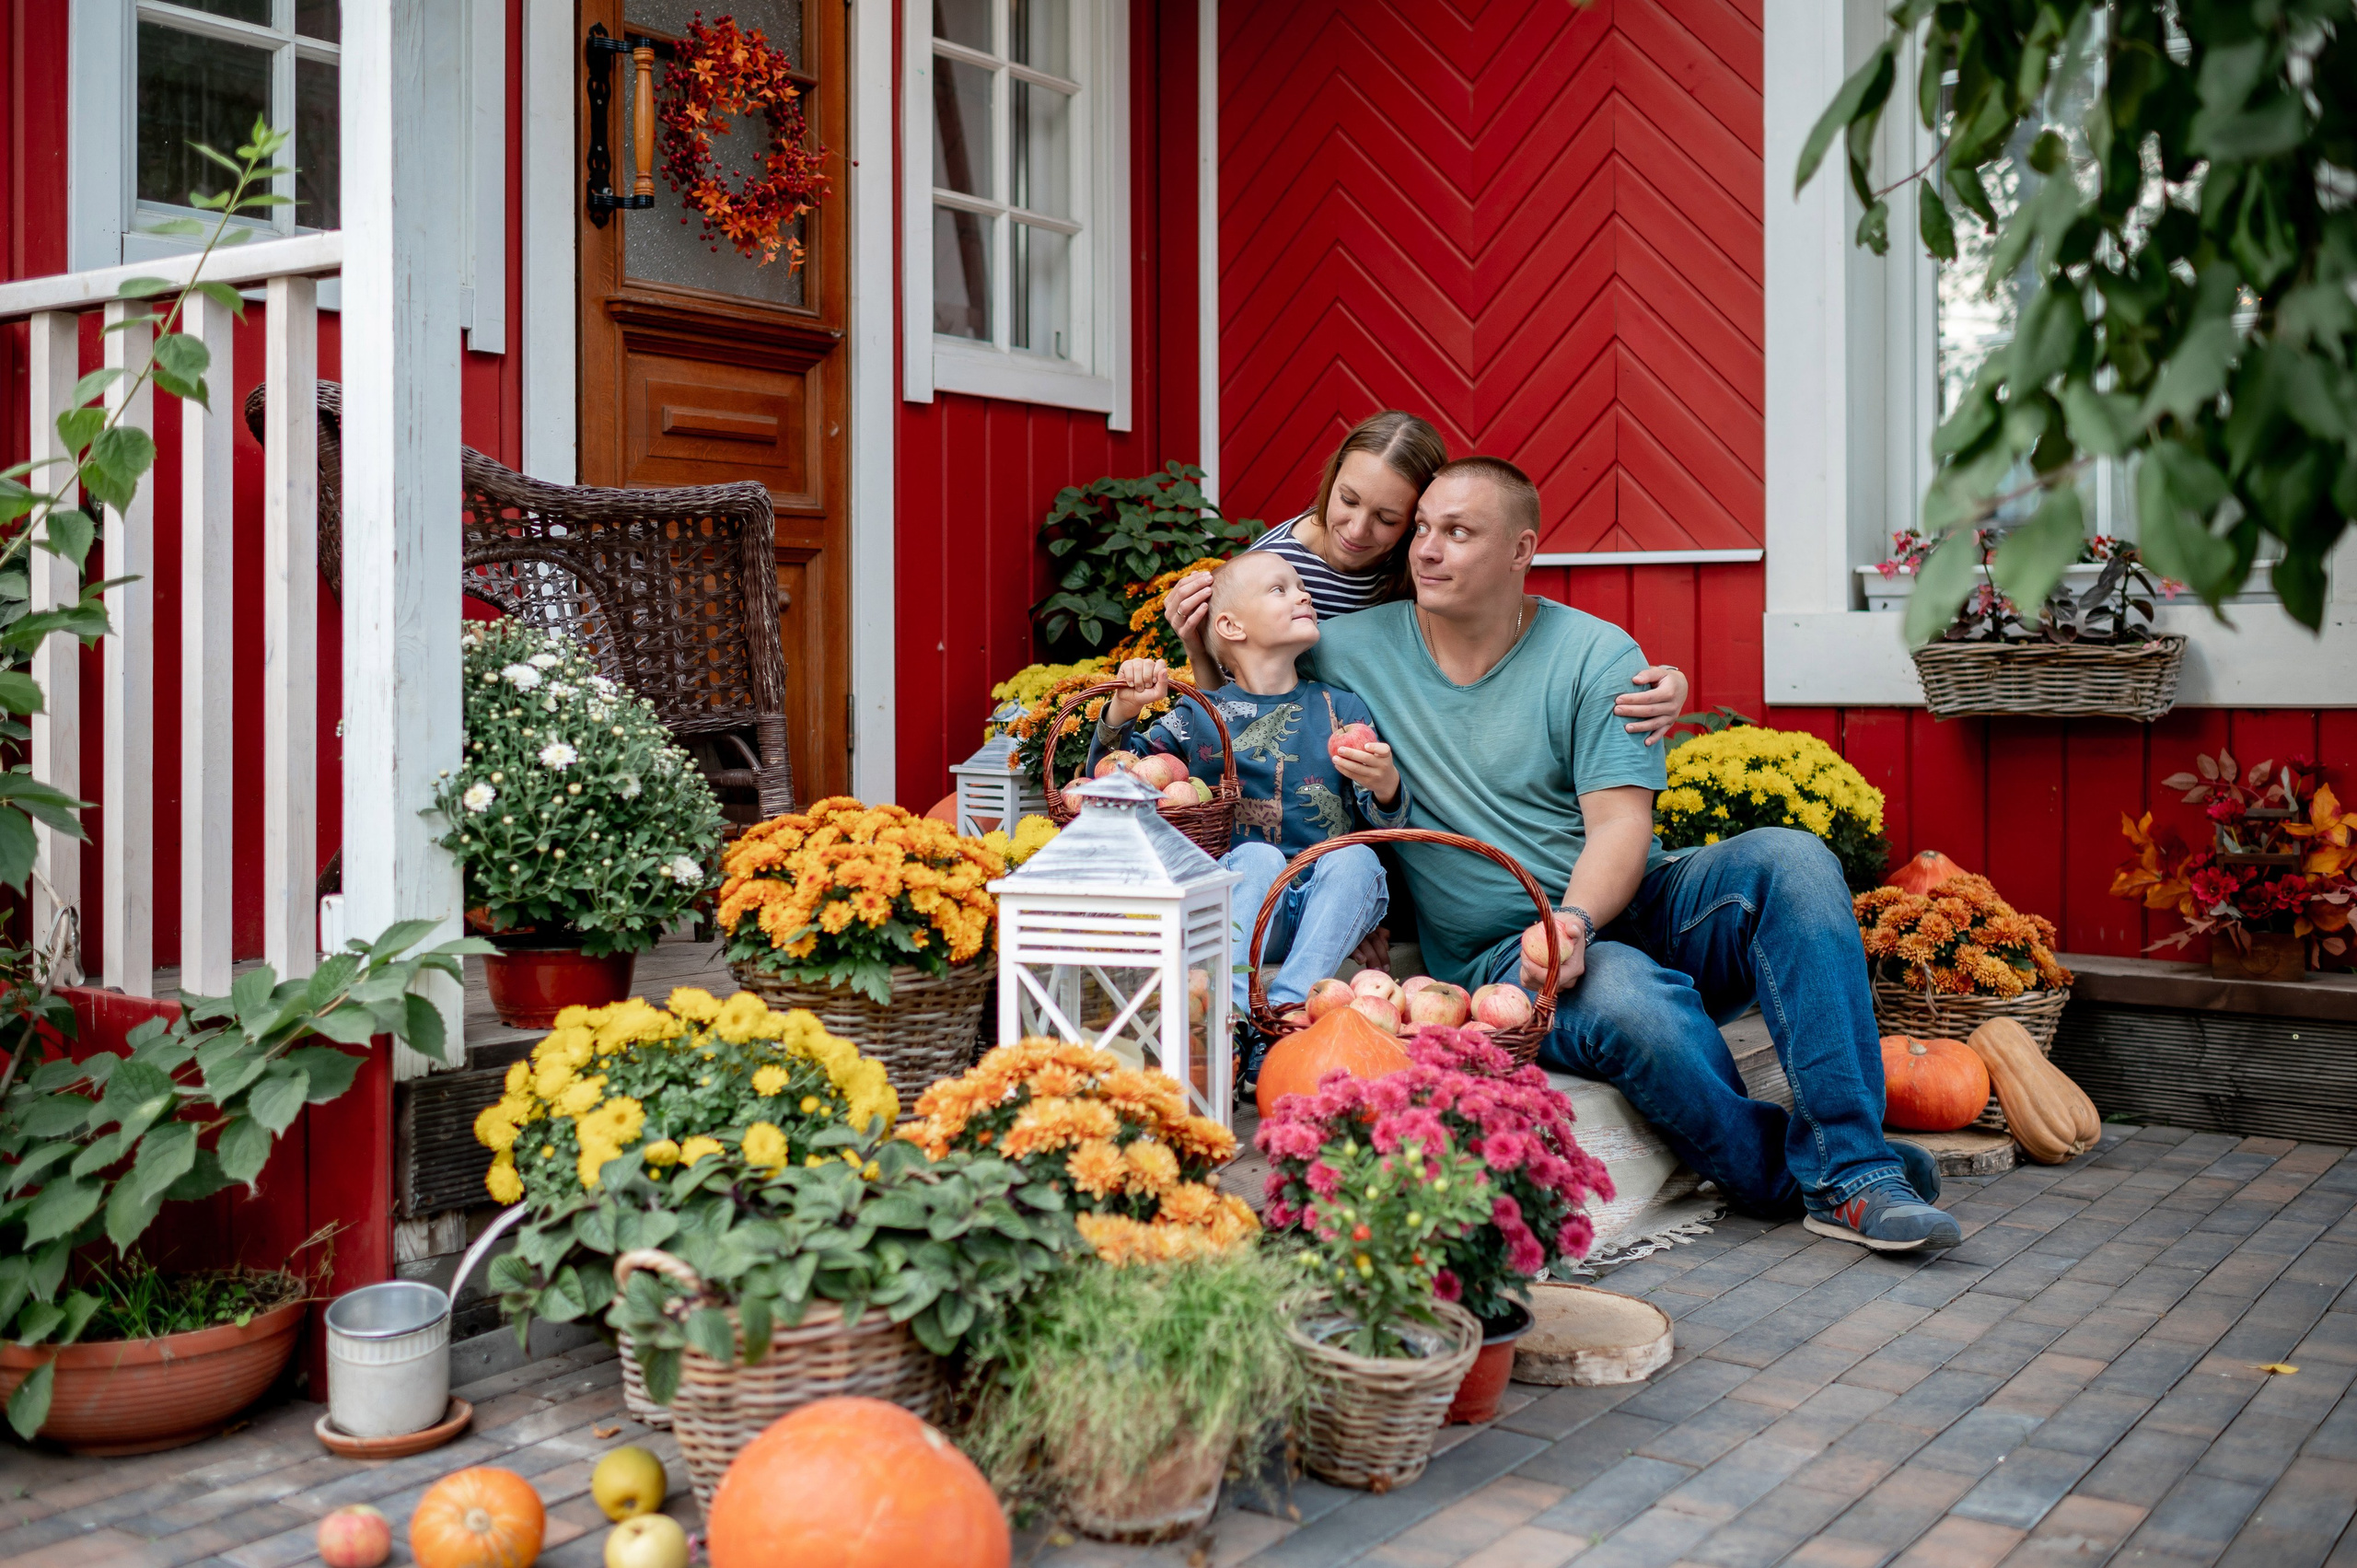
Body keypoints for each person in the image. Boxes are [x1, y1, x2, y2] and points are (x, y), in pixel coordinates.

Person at [1306, 456, 1961, 1253]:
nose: (1426, 551)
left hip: (1628, 903)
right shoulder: (1349, 651)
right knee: (1626, 998)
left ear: (1521, 550)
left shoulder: (1595, 653)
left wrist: (1575, 920)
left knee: (1793, 858)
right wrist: (1197, 644)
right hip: (1499, 955)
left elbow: (1620, 828)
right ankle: (1829, 1177)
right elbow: (1247, 676)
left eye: (1458, 532)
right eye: (1422, 530)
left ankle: (1855, 1169)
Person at [1161, 410, 1690, 747]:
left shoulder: (1420, 559)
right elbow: (1233, 708)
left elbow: (1500, 617)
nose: (1357, 529)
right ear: (1331, 478)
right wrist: (1200, 646)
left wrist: (1661, 681)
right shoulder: (1274, 571)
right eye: (1346, 500)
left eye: (1390, 520)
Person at [1088, 552, 1409, 1074]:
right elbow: (1108, 781)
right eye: (1280, 589)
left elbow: (1386, 827)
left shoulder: (1341, 709)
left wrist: (1387, 787)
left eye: (1301, 585)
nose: (1303, 594)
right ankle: (1229, 1017)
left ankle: (1280, 1015)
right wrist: (1121, 712)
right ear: (1230, 626)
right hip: (1244, 907)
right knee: (1254, 856)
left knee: (1354, 860)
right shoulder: (1202, 713)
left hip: (1325, 902)